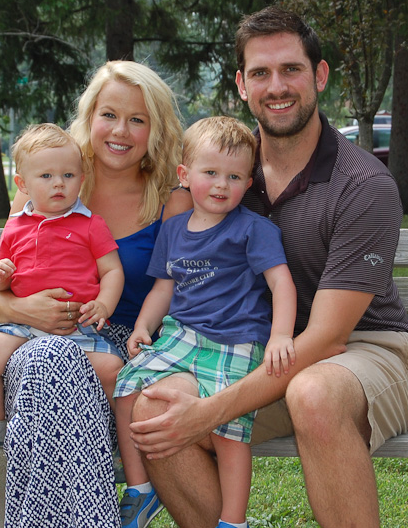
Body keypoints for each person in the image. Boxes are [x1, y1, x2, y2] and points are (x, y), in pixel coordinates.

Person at [128, 6, 408, 528]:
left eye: (291, 69)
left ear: (320, 76)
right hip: (253, 353)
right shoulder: (228, 172)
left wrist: (210, 411)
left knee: (314, 393)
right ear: (242, 85)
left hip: (364, 350)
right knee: (155, 409)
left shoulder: (363, 184)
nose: (277, 86)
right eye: (261, 73)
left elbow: (329, 338)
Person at [0, 61, 192, 528]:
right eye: (109, 115)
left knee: (55, 364)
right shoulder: (47, 178)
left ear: (156, 129)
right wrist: (25, 310)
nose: (120, 131)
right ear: (90, 116)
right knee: (48, 359)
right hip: (31, 341)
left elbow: (180, 291)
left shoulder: (170, 198)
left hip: (121, 354)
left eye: (137, 119)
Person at [114, 116, 297, 528]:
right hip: (181, 335)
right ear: (184, 175)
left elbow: (281, 284)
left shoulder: (253, 229)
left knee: (226, 429)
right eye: (210, 173)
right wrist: (143, 326)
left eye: (234, 177)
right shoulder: (173, 230)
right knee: (126, 390)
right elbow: (163, 288)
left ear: (248, 182)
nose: (221, 185)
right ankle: (140, 489)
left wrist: (280, 336)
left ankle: (233, 520)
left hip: (236, 340)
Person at [0, 123, 125, 452]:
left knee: (113, 370)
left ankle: (120, 440)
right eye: (46, 176)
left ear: (81, 179)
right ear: (23, 184)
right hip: (21, 326)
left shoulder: (90, 225)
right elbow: (1, 276)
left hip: (78, 328)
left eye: (68, 175)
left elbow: (112, 270)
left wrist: (103, 304)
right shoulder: (15, 227)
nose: (59, 183)